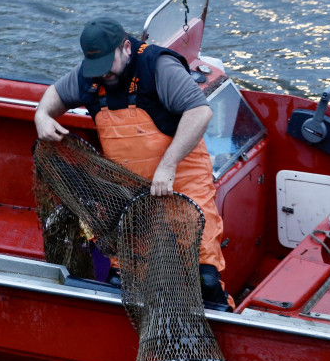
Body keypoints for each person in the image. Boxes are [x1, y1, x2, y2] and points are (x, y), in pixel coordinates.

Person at [34, 16, 233, 311]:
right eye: (96, 69)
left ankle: (222, 325)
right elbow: (55, 94)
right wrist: (42, 115)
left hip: (182, 184)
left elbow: (199, 113)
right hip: (131, 196)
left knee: (204, 281)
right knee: (124, 283)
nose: (102, 76)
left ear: (126, 47)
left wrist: (167, 166)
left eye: (107, 67)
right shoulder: (92, 73)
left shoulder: (158, 67)